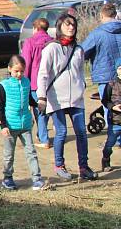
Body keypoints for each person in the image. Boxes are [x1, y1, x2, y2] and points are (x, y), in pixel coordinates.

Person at [36, 14, 97, 180]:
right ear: (60, 27)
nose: (71, 27)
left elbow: (79, 72)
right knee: (61, 132)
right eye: (67, 24)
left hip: (76, 98)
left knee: (81, 132)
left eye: (73, 25)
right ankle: (59, 165)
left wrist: (82, 85)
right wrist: (41, 97)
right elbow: (42, 74)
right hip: (56, 98)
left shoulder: (78, 49)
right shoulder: (51, 48)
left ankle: (84, 167)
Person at [0, 55, 44, 190]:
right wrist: (3, 126)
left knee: (31, 152)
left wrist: (37, 104)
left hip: (26, 125)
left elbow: (28, 99)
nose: (19, 74)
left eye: (22, 71)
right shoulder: (3, 86)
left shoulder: (26, 82)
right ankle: (7, 178)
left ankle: (37, 179)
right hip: (10, 126)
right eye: (16, 71)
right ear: (9, 69)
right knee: (9, 154)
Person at [81, 3, 121, 129]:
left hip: (106, 77)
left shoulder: (96, 34)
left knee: (110, 108)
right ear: (115, 15)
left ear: (101, 16)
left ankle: (115, 138)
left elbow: (81, 53)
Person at [21, 17, 54, 148]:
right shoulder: (53, 42)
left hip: (35, 82)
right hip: (51, 82)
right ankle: (41, 134)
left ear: (35, 28)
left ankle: (44, 139)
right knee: (46, 109)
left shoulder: (29, 42)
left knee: (39, 111)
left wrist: (25, 82)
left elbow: (26, 64)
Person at [100, 57, 121, 170]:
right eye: (120, 68)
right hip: (115, 120)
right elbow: (105, 100)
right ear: (116, 70)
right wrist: (113, 107)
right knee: (110, 143)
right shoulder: (111, 85)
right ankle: (106, 160)